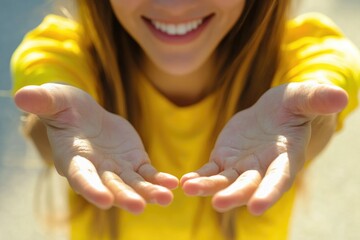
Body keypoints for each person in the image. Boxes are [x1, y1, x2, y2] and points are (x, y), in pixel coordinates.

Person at [10, 0, 360, 239]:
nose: (175, 6)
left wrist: (310, 121)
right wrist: (53, 128)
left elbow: (326, 77)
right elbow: (50, 130)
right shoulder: (67, 55)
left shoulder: (297, 56)